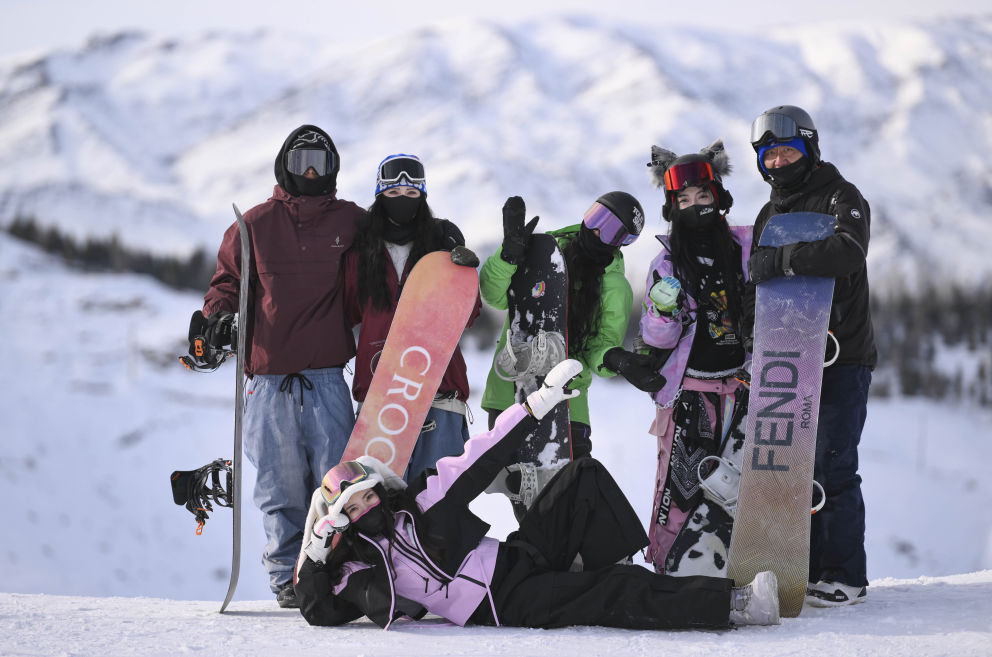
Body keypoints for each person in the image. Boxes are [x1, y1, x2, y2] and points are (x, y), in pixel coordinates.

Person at [293, 359, 780, 630]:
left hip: (516, 558)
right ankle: (736, 604)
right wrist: (316, 556)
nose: (364, 509)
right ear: (339, 521)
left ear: (381, 490)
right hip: (505, 603)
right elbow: (320, 611)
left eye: (367, 497)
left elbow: (478, 455)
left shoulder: (422, 505)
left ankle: (602, 569)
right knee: (613, 592)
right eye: (351, 509)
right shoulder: (357, 569)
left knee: (581, 477)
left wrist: (537, 405)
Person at [193, 125, 364, 608]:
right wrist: (218, 320)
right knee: (279, 489)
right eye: (301, 161)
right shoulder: (253, 226)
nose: (310, 171)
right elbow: (226, 284)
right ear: (282, 166)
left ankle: (335, 572)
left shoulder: (352, 222)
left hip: (328, 381)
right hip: (268, 384)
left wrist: (435, 235)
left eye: (321, 162)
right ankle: (289, 582)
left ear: (334, 169)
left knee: (336, 488)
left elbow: (396, 242)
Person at [745, 105, 877, 606]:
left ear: (809, 148)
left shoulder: (842, 196)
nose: (777, 162)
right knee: (784, 466)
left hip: (841, 356)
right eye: (768, 154)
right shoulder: (768, 213)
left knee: (832, 464)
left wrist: (783, 259)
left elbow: (848, 250)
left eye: (787, 150)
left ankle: (843, 574)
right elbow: (758, 286)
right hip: (786, 357)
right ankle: (797, 565)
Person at [632, 140, 752, 576]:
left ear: (718, 196)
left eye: (703, 196)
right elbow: (656, 335)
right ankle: (670, 567)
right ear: (672, 206)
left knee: (740, 485)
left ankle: (741, 565)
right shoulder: (667, 262)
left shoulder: (744, 247)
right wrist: (664, 309)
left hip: (741, 388)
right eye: (684, 199)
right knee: (682, 485)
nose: (695, 205)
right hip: (690, 391)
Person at [479, 192, 648, 470]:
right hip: (508, 393)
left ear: (622, 242)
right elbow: (494, 295)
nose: (595, 230)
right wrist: (508, 255)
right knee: (519, 495)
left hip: (566, 405)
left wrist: (616, 358)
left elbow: (600, 346)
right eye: (597, 216)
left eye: (610, 230)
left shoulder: (615, 288)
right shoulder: (542, 252)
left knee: (566, 497)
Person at [342, 153, 482, 482]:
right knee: (378, 512)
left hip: (440, 393)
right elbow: (345, 313)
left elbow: (468, 313)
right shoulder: (361, 252)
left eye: (410, 194)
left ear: (423, 196)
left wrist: (460, 272)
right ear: (379, 197)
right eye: (392, 194)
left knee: (440, 506)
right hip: (381, 399)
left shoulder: (442, 243)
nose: (402, 201)